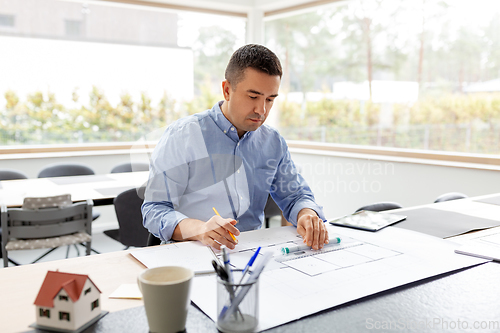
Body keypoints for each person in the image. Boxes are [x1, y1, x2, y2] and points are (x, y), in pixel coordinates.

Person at [142, 44, 329, 251]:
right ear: (227, 90)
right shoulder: (182, 136)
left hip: (254, 253)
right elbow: (155, 209)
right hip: (192, 252)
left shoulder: (273, 142)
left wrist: (307, 214)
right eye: (253, 97)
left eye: (270, 99)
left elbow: (295, 196)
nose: (262, 110)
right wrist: (201, 229)